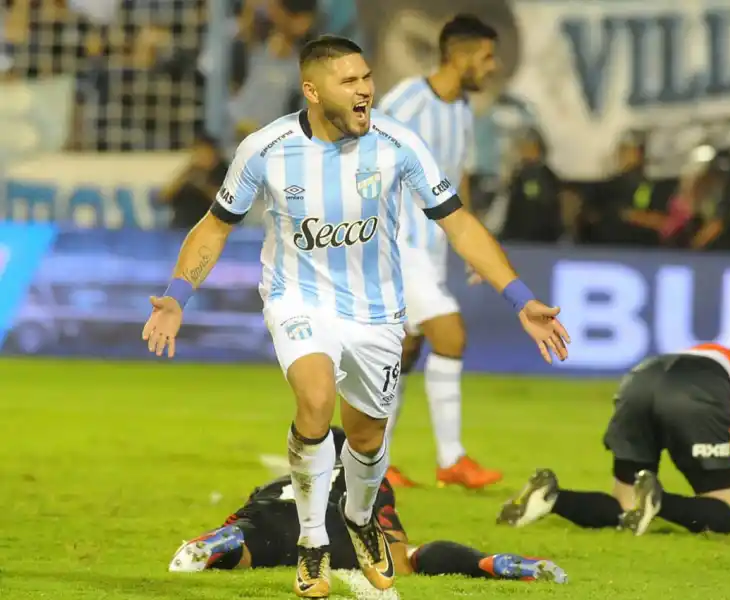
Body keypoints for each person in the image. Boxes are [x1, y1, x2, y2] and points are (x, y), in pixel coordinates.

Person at [140, 35, 569, 598]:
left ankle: (361, 518)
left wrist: (520, 297)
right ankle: (313, 540)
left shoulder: (397, 144)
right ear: (313, 90)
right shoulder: (266, 149)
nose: (365, 89)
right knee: (315, 400)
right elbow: (215, 226)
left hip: (376, 312)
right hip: (297, 299)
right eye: (350, 81)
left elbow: (459, 224)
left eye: (366, 78)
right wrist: (178, 294)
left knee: (366, 438)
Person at [498, 333, 730, 537]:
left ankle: (553, 497)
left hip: (643, 376)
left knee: (625, 504)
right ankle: (659, 502)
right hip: (701, 389)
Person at [169, 427, 568, 586]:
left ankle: (225, 544)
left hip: (273, 514)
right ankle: (487, 562)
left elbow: (250, 508)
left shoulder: (281, 476)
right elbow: (392, 540)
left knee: (253, 545)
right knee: (406, 557)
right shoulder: (369, 476)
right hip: (337, 525)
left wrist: (241, 527)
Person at [376, 14, 502, 490]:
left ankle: (374, 461)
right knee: (450, 334)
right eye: (488, 56)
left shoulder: (463, 109)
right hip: (395, 242)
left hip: (430, 248)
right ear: (462, 55)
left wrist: (469, 243)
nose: (492, 67)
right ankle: (452, 460)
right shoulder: (408, 99)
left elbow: (457, 176)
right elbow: (362, 152)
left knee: (406, 349)